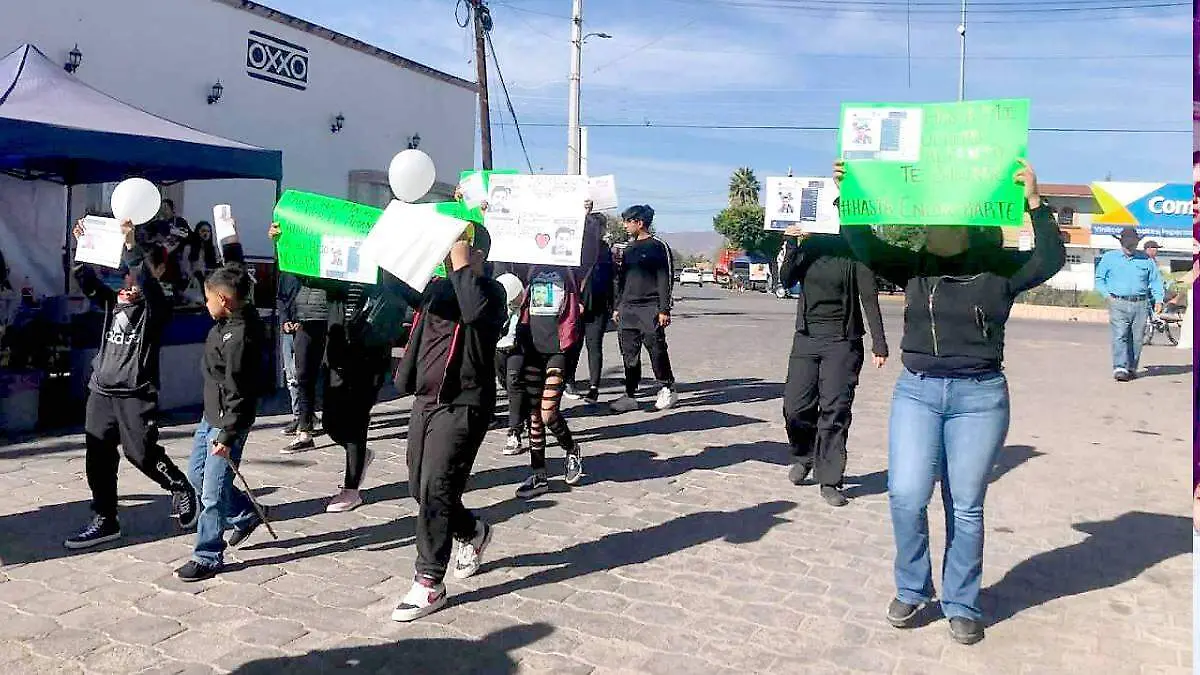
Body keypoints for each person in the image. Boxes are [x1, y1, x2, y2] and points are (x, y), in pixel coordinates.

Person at [836, 158, 1065, 646]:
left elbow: (1050, 259)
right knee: (905, 493)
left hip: (979, 399)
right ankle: (912, 587)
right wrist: (851, 196)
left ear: (966, 224)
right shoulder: (914, 265)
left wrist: (1035, 204)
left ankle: (961, 602)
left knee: (965, 505)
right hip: (917, 391)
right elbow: (865, 245)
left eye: (944, 218)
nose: (933, 225)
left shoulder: (1001, 269)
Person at [390, 228, 506, 622]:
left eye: (462, 247)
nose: (450, 254)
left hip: (464, 403)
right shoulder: (439, 289)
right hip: (426, 400)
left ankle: (429, 582)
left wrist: (462, 263)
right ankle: (472, 530)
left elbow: (473, 312)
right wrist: (387, 250)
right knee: (419, 488)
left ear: (480, 254)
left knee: (437, 487)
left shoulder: (493, 292)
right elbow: (401, 286)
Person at [63, 219, 197, 549]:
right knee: (98, 457)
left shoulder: (157, 307)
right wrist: (84, 247)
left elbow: (148, 285)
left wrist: (131, 248)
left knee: (141, 454)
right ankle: (105, 518)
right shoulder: (112, 301)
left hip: (136, 392)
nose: (128, 280)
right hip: (102, 390)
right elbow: (87, 280)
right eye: (125, 274)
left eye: (134, 273)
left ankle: (180, 486)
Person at [267, 223, 394, 512]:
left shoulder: (383, 276)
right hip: (338, 355)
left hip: (369, 358)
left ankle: (351, 489)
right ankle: (359, 454)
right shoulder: (339, 278)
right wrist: (282, 244)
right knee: (332, 422)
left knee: (356, 420)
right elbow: (304, 275)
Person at [175, 225, 267, 582]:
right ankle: (245, 515)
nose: (206, 302)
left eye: (209, 297)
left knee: (212, 493)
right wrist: (230, 237)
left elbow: (241, 393)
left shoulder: (241, 337)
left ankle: (208, 554)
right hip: (208, 416)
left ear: (225, 301)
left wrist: (227, 436)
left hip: (228, 423)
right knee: (197, 478)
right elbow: (237, 273)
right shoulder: (233, 314)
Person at [779, 227, 889, 507]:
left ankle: (829, 479)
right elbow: (786, 278)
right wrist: (790, 242)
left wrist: (879, 343)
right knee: (795, 407)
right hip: (806, 339)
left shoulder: (854, 251)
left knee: (835, 410)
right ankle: (804, 456)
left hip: (842, 342)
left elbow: (868, 296)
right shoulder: (811, 246)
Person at [513, 265, 585, 498]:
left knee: (548, 413)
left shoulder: (568, 269)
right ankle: (539, 475)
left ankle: (571, 448)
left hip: (557, 349)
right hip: (532, 349)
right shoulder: (532, 269)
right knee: (534, 415)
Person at [610, 205, 679, 413]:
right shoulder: (629, 248)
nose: (625, 225)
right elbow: (622, 280)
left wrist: (664, 309)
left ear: (639, 223)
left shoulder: (658, 246)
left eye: (627, 221)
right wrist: (617, 306)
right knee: (629, 353)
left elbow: (664, 278)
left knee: (656, 349)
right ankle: (630, 395)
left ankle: (667, 387)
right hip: (628, 309)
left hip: (650, 307)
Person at [1094, 227, 1164, 381]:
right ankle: (1120, 367)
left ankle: (1131, 367)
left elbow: (1155, 281)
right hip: (1118, 302)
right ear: (1122, 243)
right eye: (1128, 244)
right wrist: (1107, 295)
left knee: (1137, 337)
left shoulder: (1146, 260)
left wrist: (1159, 299)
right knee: (1120, 335)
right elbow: (1099, 279)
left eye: (1133, 244)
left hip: (1141, 303)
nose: (1131, 247)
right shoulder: (1109, 258)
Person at [564, 208, 615, 404]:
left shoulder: (604, 249)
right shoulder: (577, 247)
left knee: (594, 347)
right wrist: (575, 301)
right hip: (578, 305)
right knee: (573, 346)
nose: (600, 231)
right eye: (597, 227)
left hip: (599, 306)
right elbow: (570, 277)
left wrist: (613, 305)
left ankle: (594, 387)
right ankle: (569, 381)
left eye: (601, 227)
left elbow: (610, 278)